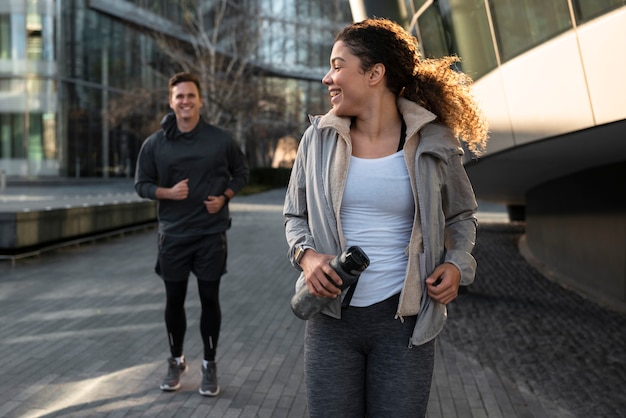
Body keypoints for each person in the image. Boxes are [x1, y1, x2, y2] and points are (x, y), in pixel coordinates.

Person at [283, 18, 488, 417]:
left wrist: (458, 265)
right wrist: (307, 258)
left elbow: (462, 214)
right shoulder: (318, 139)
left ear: (375, 73)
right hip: (330, 320)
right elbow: (295, 214)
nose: (328, 77)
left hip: (405, 323)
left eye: (338, 65)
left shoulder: (433, 141)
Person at [135, 72, 248, 397]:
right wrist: (167, 193)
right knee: (174, 301)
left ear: (200, 100)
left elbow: (241, 172)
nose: (185, 101)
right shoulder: (155, 143)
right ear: (171, 102)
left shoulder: (220, 139)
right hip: (173, 236)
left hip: (210, 234)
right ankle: (176, 360)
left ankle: (209, 365)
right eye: (179, 96)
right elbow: (140, 184)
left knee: (209, 299)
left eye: (190, 96)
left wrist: (225, 196)